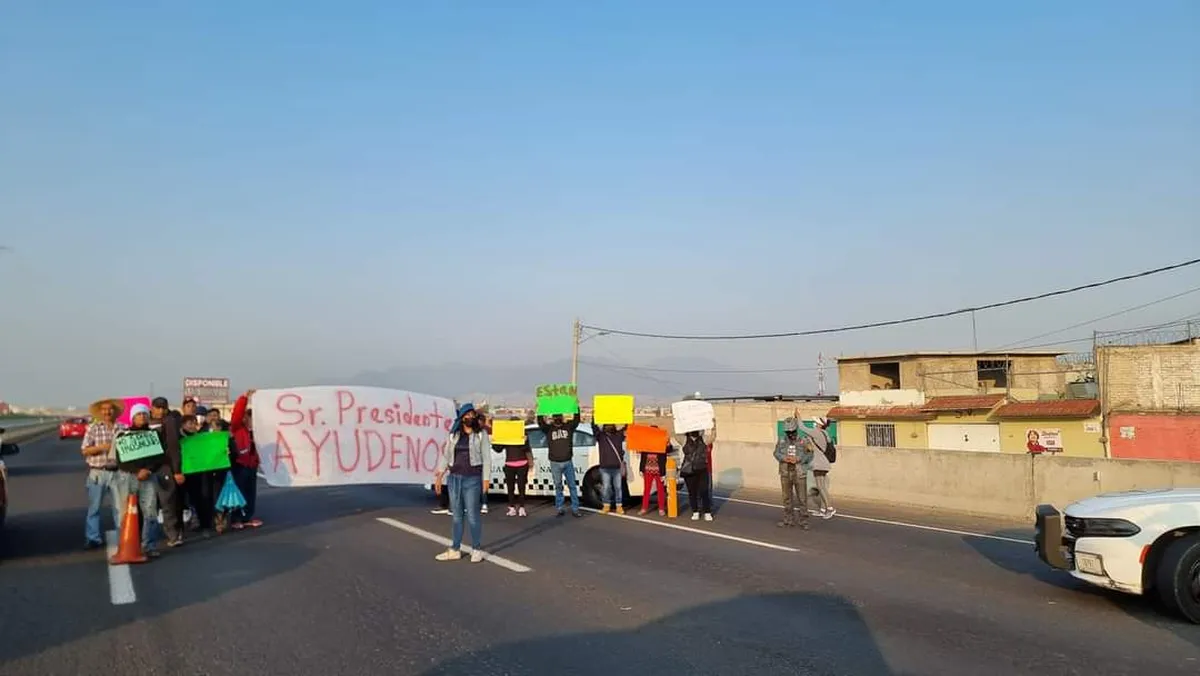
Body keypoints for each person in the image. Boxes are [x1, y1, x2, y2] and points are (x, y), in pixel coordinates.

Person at [434, 403, 491, 563]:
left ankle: (476, 549)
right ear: (462, 417)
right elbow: (446, 456)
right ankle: (455, 549)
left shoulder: (481, 435)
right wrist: (439, 475)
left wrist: (485, 478)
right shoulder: (454, 435)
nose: (470, 418)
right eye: (468, 415)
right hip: (454, 479)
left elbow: (487, 457)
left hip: (472, 479)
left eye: (473, 415)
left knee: (473, 516)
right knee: (457, 516)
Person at [112, 403, 167, 558]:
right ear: (132, 418)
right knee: (126, 511)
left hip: (149, 476)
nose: (142, 417)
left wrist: (148, 470)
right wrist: (136, 471)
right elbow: (120, 460)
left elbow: (160, 457)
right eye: (138, 414)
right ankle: (127, 543)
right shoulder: (123, 436)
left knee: (150, 511)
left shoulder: (155, 435)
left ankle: (149, 545)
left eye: (144, 414)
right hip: (128, 477)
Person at [80, 398, 125, 550]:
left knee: (119, 508)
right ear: (100, 412)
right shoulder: (93, 428)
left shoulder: (123, 428)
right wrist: (102, 447)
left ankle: (123, 537)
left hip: (118, 472)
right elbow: (85, 450)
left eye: (110, 409)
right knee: (94, 508)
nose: (107, 412)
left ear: (115, 411)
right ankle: (93, 538)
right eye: (104, 409)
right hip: (98, 472)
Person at [147, 397, 186, 547]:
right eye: (158, 407)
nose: (160, 411)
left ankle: (173, 535)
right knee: (148, 504)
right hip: (146, 468)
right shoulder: (145, 421)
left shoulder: (170, 421)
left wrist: (176, 470)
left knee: (168, 503)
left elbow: (173, 447)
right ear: (152, 408)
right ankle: (147, 537)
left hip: (165, 467)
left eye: (163, 408)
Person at [229, 389, 263, 530]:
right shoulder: (238, 428)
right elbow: (236, 415)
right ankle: (236, 518)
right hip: (240, 465)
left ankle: (247, 517)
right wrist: (244, 398)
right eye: (249, 417)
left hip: (252, 466)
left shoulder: (259, 432)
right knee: (239, 492)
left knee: (250, 492)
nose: (251, 420)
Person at [538, 412, 581, 518]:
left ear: (562, 417)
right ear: (552, 418)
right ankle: (560, 508)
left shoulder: (568, 427)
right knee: (558, 486)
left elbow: (577, 419)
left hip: (567, 461)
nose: (557, 418)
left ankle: (575, 509)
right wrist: (540, 409)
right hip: (555, 462)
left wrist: (576, 406)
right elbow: (540, 422)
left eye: (559, 416)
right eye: (556, 417)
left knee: (572, 486)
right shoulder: (548, 429)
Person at [774, 417, 813, 529]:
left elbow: (810, 455)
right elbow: (776, 453)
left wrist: (799, 459)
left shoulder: (804, 440)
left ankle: (804, 521)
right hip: (785, 472)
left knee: (802, 498)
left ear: (796, 430)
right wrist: (783, 458)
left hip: (799, 473)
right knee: (786, 497)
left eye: (792, 432)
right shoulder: (781, 440)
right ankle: (788, 520)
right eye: (788, 432)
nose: (790, 434)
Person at [493, 419, 532, 517]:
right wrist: (495, 440)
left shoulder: (523, 434)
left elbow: (527, 449)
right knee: (510, 487)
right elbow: (498, 449)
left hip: (522, 464)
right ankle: (512, 508)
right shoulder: (507, 435)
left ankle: (522, 508)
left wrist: (524, 441)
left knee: (521, 486)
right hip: (509, 464)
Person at [678, 423, 716, 521]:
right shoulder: (684, 440)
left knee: (704, 491)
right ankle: (695, 511)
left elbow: (712, 437)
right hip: (689, 471)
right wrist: (679, 421)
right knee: (692, 492)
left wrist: (713, 425)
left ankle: (707, 512)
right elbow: (676, 434)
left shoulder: (703, 439)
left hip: (702, 469)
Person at [803, 416, 836, 519]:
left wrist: (798, 416)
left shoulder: (818, 433)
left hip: (820, 464)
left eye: (816, 422)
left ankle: (829, 509)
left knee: (821, 487)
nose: (815, 424)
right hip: (823, 463)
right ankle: (822, 509)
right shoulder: (825, 434)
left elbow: (802, 427)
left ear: (820, 424)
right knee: (822, 487)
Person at [593, 422, 627, 515]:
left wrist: (629, 414)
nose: (609, 427)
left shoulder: (619, 435)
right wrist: (594, 415)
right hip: (605, 467)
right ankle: (606, 505)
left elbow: (628, 427)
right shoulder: (601, 436)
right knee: (606, 487)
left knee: (618, 488)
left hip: (617, 468)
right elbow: (594, 427)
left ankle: (619, 506)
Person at [638, 439, 668, 516]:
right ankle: (644, 508)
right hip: (648, 470)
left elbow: (668, 451)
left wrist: (668, 444)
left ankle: (661, 509)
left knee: (660, 490)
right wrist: (641, 469)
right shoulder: (646, 445)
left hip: (659, 471)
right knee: (647, 489)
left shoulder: (661, 444)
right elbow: (643, 458)